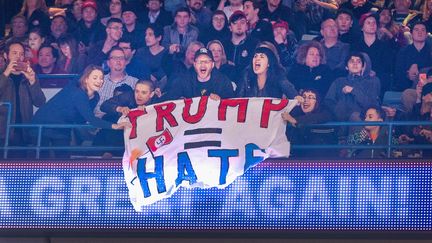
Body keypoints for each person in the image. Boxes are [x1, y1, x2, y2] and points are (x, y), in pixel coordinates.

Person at [32, 65, 129, 158]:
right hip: (43, 124)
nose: (99, 81)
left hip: (63, 128)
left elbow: (82, 119)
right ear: (86, 79)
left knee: (63, 160)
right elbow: (91, 119)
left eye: (101, 78)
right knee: (42, 159)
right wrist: (115, 126)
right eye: (95, 78)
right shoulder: (78, 93)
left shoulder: (95, 97)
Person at [0, 41, 46, 147]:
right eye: (14, 53)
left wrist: (32, 81)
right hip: (2, 131)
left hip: (23, 131)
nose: (18, 57)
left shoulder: (28, 76)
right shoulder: (2, 74)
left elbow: (40, 102)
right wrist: (6, 73)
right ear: (6, 55)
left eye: (21, 54)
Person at [95, 80, 157, 158]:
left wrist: (148, 110)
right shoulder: (129, 95)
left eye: (143, 92)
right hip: (123, 137)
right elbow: (104, 106)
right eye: (137, 91)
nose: (139, 96)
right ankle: (109, 153)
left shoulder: (158, 100)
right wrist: (120, 109)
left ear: (151, 94)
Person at [325, 52, 381, 122]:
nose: (355, 64)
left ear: (363, 66)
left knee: (355, 117)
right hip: (340, 121)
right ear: (346, 67)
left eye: (358, 61)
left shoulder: (372, 82)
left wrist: (353, 90)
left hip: (363, 122)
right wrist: (338, 111)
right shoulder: (338, 81)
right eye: (352, 61)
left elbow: (372, 104)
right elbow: (329, 101)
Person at [162, 47, 235, 101]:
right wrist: (178, 100)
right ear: (194, 64)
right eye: (199, 62)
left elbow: (232, 107)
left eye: (206, 62)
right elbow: (168, 100)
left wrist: (221, 101)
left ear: (212, 65)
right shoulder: (183, 80)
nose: (203, 65)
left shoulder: (223, 81)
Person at [282, 89, 335, 158]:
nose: (306, 100)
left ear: (317, 101)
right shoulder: (296, 111)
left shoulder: (325, 112)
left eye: (310, 97)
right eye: (303, 97)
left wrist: (295, 120)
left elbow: (319, 118)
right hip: (296, 160)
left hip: (320, 159)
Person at [94, 46, 138, 118]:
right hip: (98, 124)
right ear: (108, 63)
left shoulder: (135, 83)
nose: (118, 61)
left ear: (126, 62)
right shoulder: (97, 81)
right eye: (114, 58)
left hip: (124, 124)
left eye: (121, 58)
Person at [224, 11, 259, 77]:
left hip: (247, 81)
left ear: (247, 27)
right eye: (235, 23)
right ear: (230, 28)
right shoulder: (223, 45)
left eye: (242, 22)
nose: (239, 25)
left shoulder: (255, 44)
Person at [133, 25, 167, 90]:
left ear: (159, 37)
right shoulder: (140, 52)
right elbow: (137, 68)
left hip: (162, 86)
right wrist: (148, 75)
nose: (146, 37)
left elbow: (167, 71)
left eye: (150, 35)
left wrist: (155, 76)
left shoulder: (166, 52)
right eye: (146, 35)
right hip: (143, 84)